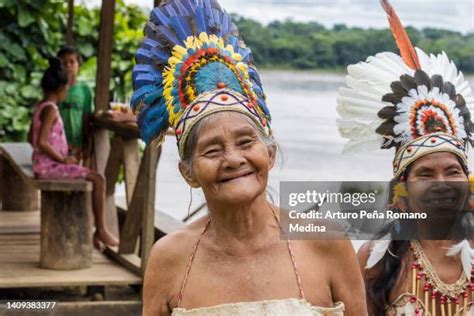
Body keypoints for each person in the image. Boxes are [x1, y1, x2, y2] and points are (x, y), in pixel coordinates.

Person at [134, 1, 366, 315]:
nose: (232, 159)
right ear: (187, 172)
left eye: (246, 142)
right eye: (212, 150)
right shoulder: (169, 258)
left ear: (269, 153)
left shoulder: (326, 242)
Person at [336, 0, 474, 315]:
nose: (441, 184)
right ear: (403, 189)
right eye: (425, 175)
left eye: (452, 172)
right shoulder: (378, 260)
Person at [29, 57, 118, 250]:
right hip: (49, 167)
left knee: (93, 177)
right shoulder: (52, 110)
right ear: (62, 88)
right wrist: (63, 158)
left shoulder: (40, 106)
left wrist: (62, 151)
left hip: (44, 164)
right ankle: (101, 229)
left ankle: (98, 230)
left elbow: (31, 139)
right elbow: (42, 142)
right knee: (98, 178)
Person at [57, 46, 93, 161]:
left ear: (78, 64)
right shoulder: (55, 89)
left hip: (76, 144)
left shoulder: (85, 90)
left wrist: (86, 143)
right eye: (64, 62)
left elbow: (86, 118)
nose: (68, 66)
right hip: (56, 141)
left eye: (72, 62)